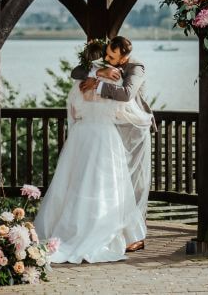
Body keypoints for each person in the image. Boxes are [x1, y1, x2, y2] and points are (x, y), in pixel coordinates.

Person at [34, 41, 146, 263]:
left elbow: (74, 113)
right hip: (105, 136)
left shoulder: (81, 83)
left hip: (81, 136)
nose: (108, 58)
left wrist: (94, 84)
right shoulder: (113, 76)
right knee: (107, 185)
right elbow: (121, 108)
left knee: (74, 182)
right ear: (101, 59)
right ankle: (111, 231)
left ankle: (67, 229)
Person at [72, 36, 154, 253]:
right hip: (113, 130)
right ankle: (116, 230)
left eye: (111, 56)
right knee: (117, 185)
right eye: (106, 54)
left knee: (137, 184)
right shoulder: (106, 66)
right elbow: (76, 73)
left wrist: (97, 85)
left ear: (124, 57)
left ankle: (137, 236)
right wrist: (98, 72)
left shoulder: (136, 68)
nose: (106, 59)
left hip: (135, 131)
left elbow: (127, 94)